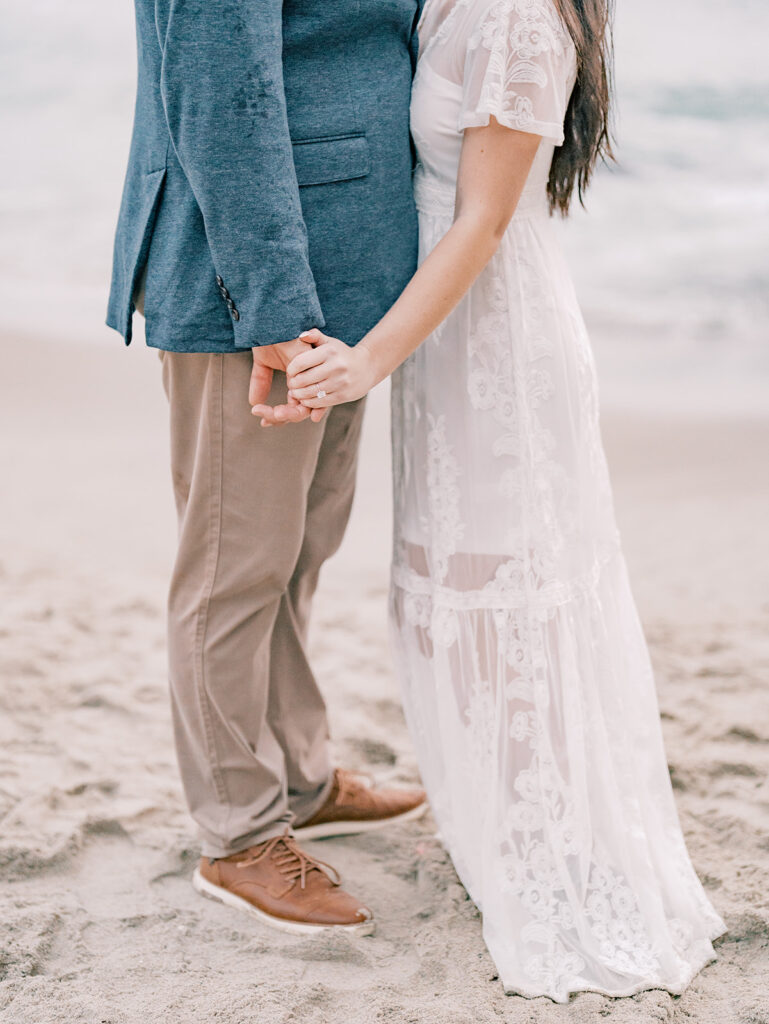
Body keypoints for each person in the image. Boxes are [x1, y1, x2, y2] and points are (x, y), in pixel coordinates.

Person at [265, 0, 727, 1000]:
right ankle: (504, 824)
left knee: (507, 588)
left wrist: (368, 359)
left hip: (497, 345)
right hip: (445, 333)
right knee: (452, 580)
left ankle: (547, 841)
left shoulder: (522, 18)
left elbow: (481, 221)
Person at [106, 0, 428, 936]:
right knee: (233, 566)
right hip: (252, 290)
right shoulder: (267, 300)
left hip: (346, 275)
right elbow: (220, 99)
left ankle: (297, 774)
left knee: (296, 552)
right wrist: (275, 310)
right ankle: (239, 835)